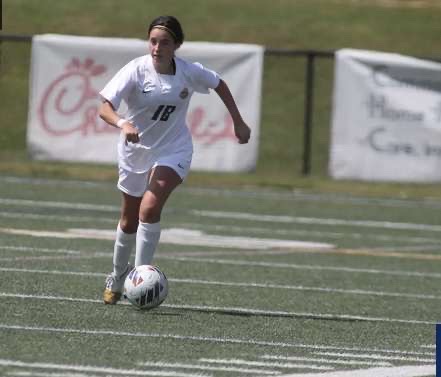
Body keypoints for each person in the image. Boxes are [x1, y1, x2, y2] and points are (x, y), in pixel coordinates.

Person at [98, 15, 251, 304]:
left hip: (174, 149)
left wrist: (238, 122)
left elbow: (219, 84)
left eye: (165, 42)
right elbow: (105, 108)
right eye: (153, 41)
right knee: (129, 220)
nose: (157, 47)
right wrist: (123, 124)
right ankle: (118, 276)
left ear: (176, 45)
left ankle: (140, 278)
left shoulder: (188, 72)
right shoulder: (135, 70)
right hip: (135, 151)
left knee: (150, 208)